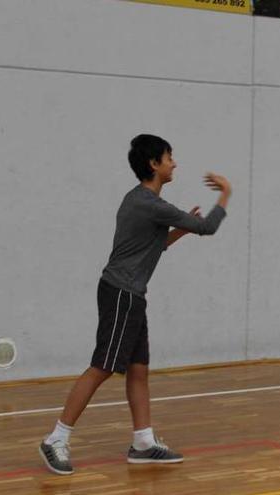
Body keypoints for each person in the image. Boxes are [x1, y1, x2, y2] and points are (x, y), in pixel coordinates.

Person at [38, 134, 232, 475]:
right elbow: (208, 227)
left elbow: (153, 247)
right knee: (103, 366)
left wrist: (180, 230)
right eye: (169, 157)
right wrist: (226, 193)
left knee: (138, 369)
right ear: (154, 164)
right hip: (121, 294)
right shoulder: (149, 204)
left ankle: (143, 443)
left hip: (132, 295)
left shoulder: (142, 203)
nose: (175, 163)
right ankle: (56, 438)